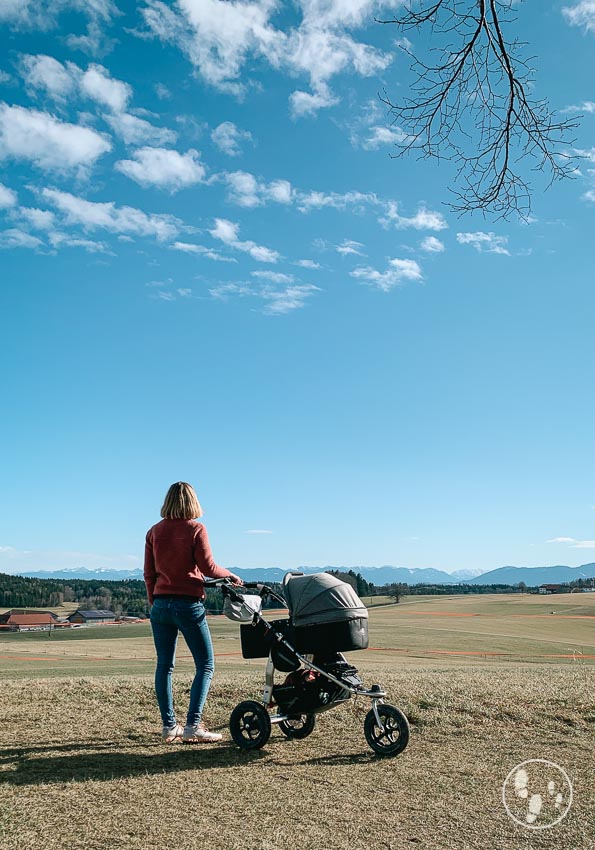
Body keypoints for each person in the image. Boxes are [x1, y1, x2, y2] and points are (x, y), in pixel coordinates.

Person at [144, 481, 242, 744]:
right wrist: (230, 575)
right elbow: (209, 567)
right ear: (193, 502)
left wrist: (154, 602)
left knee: (164, 666)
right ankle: (192, 726)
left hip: (161, 605)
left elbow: (149, 574)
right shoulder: (196, 529)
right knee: (206, 664)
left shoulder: (154, 531)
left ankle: (169, 727)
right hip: (188, 605)